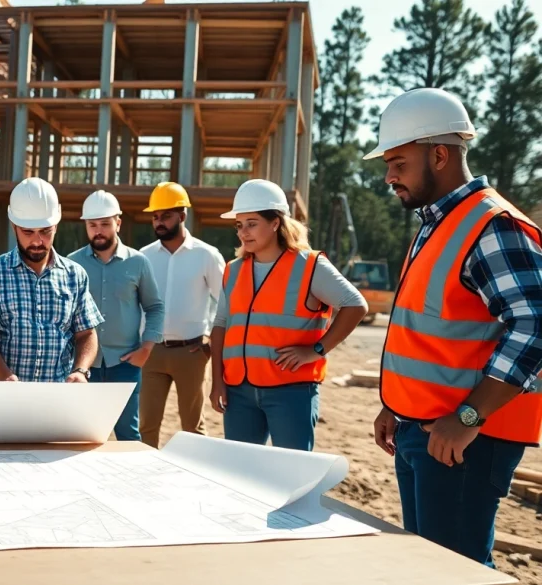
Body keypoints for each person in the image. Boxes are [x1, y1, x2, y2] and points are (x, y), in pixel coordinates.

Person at [367, 87, 542, 568]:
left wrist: (468, 418)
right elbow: (428, 331)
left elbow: (534, 323)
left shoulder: (493, 226)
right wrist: (394, 406)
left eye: (398, 163)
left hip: (465, 441)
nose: (389, 176)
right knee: (427, 567)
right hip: (422, 431)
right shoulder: (438, 222)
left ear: (439, 154)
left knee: (454, 571)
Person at [208, 179, 368, 451]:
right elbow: (221, 325)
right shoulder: (232, 270)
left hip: (291, 390)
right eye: (239, 225)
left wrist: (317, 350)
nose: (243, 232)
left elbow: (356, 305)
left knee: (293, 474)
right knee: (239, 474)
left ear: (275, 223)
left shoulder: (310, 265)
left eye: (252, 223)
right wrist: (217, 382)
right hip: (239, 390)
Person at [0, 177, 103, 383]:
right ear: (14, 226)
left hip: (59, 393)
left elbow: (86, 333)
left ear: (56, 225)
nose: (37, 241)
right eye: (28, 232)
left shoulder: (75, 275)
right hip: (8, 394)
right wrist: (4, 375)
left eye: (45, 231)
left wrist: (81, 370)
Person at [69, 190, 165, 441]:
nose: (98, 230)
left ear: (118, 223)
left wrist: (146, 348)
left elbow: (155, 307)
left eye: (104, 224)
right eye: (92, 225)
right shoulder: (72, 265)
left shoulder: (139, 262)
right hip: (81, 367)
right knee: (81, 436)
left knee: (128, 435)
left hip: (125, 364)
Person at [138, 182, 225, 448]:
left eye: (166, 215)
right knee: (146, 426)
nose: (159, 222)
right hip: (151, 353)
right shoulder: (144, 257)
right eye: (155, 216)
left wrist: (210, 340)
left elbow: (227, 302)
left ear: (182, 215)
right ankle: (140, 483)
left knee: (193, 427)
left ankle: (196, 483)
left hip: (192, 353)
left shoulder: (207, 255)